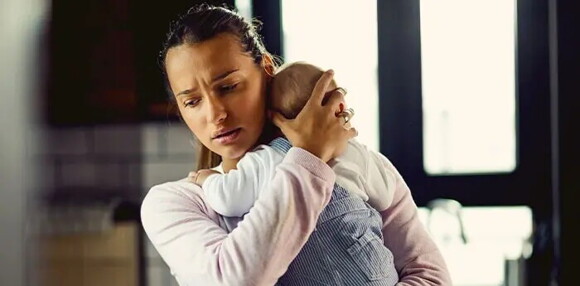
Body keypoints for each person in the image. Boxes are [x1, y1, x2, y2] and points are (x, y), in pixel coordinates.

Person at [140, 4, 452, 286]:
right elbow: (237, 279)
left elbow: (431, 276)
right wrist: (308, 157)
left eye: (229, 87)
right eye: (192, 101)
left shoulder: (357, 164)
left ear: (265, 70)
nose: (215, 114)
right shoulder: (174, 203)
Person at [190, 61, 400, 285]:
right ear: (339, 108)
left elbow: (228, 199)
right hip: (378, 271)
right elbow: (387, 196)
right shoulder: (358, 153)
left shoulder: (268, 157)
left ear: (273, 117)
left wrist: (208, 178)